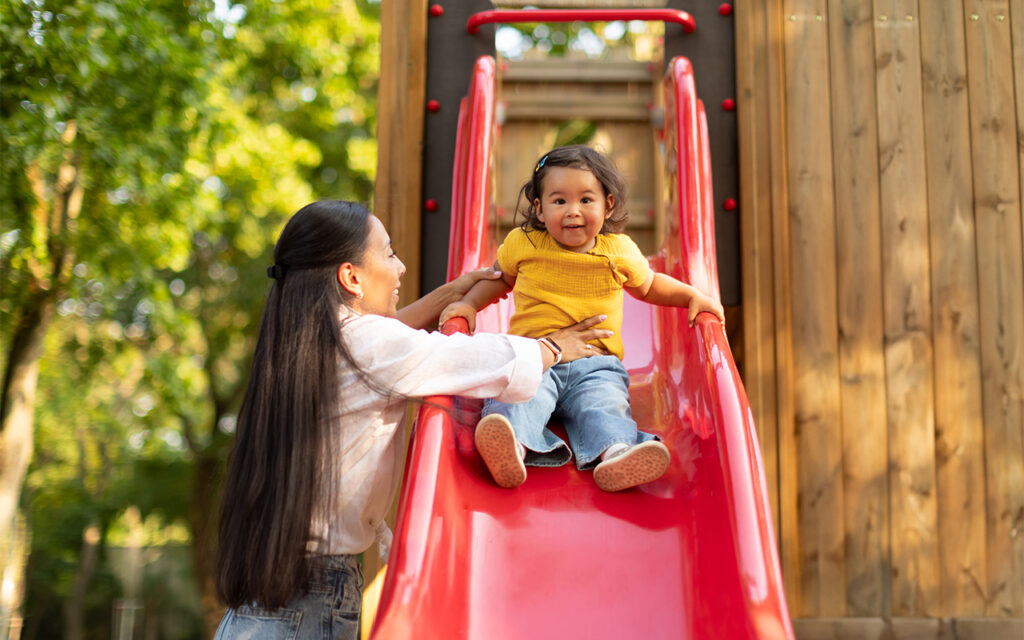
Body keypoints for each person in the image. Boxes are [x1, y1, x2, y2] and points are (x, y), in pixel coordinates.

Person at [213, 200, 611, 640]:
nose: (399, 266)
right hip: (310, 604)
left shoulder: (305, 342)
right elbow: (454, 358)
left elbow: (388, 346)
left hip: (266, 607)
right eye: (388, 253)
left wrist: (451, 295)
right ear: (351, 277)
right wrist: (553, 347)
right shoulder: (364, 344)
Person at [440, 145, 725, 493]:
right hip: (535, 357)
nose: (573, 211)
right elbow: (499, 281)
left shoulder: (618, 251)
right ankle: (511, 444)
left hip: (596, 365)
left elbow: (650, 287)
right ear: (540, 210)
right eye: (559, 201)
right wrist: (469, 305)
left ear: (607, 205)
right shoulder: (524, 243)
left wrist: (692, 296)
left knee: (604, 406)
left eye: (586, 200)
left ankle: (617, 453)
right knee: (517, 397)